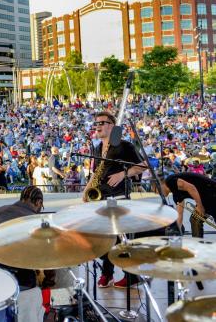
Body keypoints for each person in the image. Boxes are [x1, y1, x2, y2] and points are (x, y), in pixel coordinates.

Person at [84, 111, 146, 289]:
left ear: (112, 125)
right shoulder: (96, 147)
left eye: (102, 122)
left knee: (121, 240)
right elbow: (96, 173)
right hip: (100, 197)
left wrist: (122, 174)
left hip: (118, 197)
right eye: (96, 123)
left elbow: (143, 166)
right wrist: (87, 190)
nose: (98, 126)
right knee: (103, 238)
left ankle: (131, 275)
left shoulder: (124, 145)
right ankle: (107, 274)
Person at [0, 186, 46, 322]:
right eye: (40, 206)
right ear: (38, 202)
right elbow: (38, 255)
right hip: (19, 281)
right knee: (37, 290)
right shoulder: (34, 220)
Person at [161, 172, 216, 238]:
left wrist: (200, 206)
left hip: (211, 191)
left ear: (161, 185)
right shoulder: (175, 193)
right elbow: (180, 213)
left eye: (156, 190)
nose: (158, 193)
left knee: (196, 219)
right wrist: (177, 232)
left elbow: (191, 187)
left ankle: (197, 243)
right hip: (207, 195)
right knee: (195, 220)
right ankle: (197, 244)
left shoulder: (170, 181)